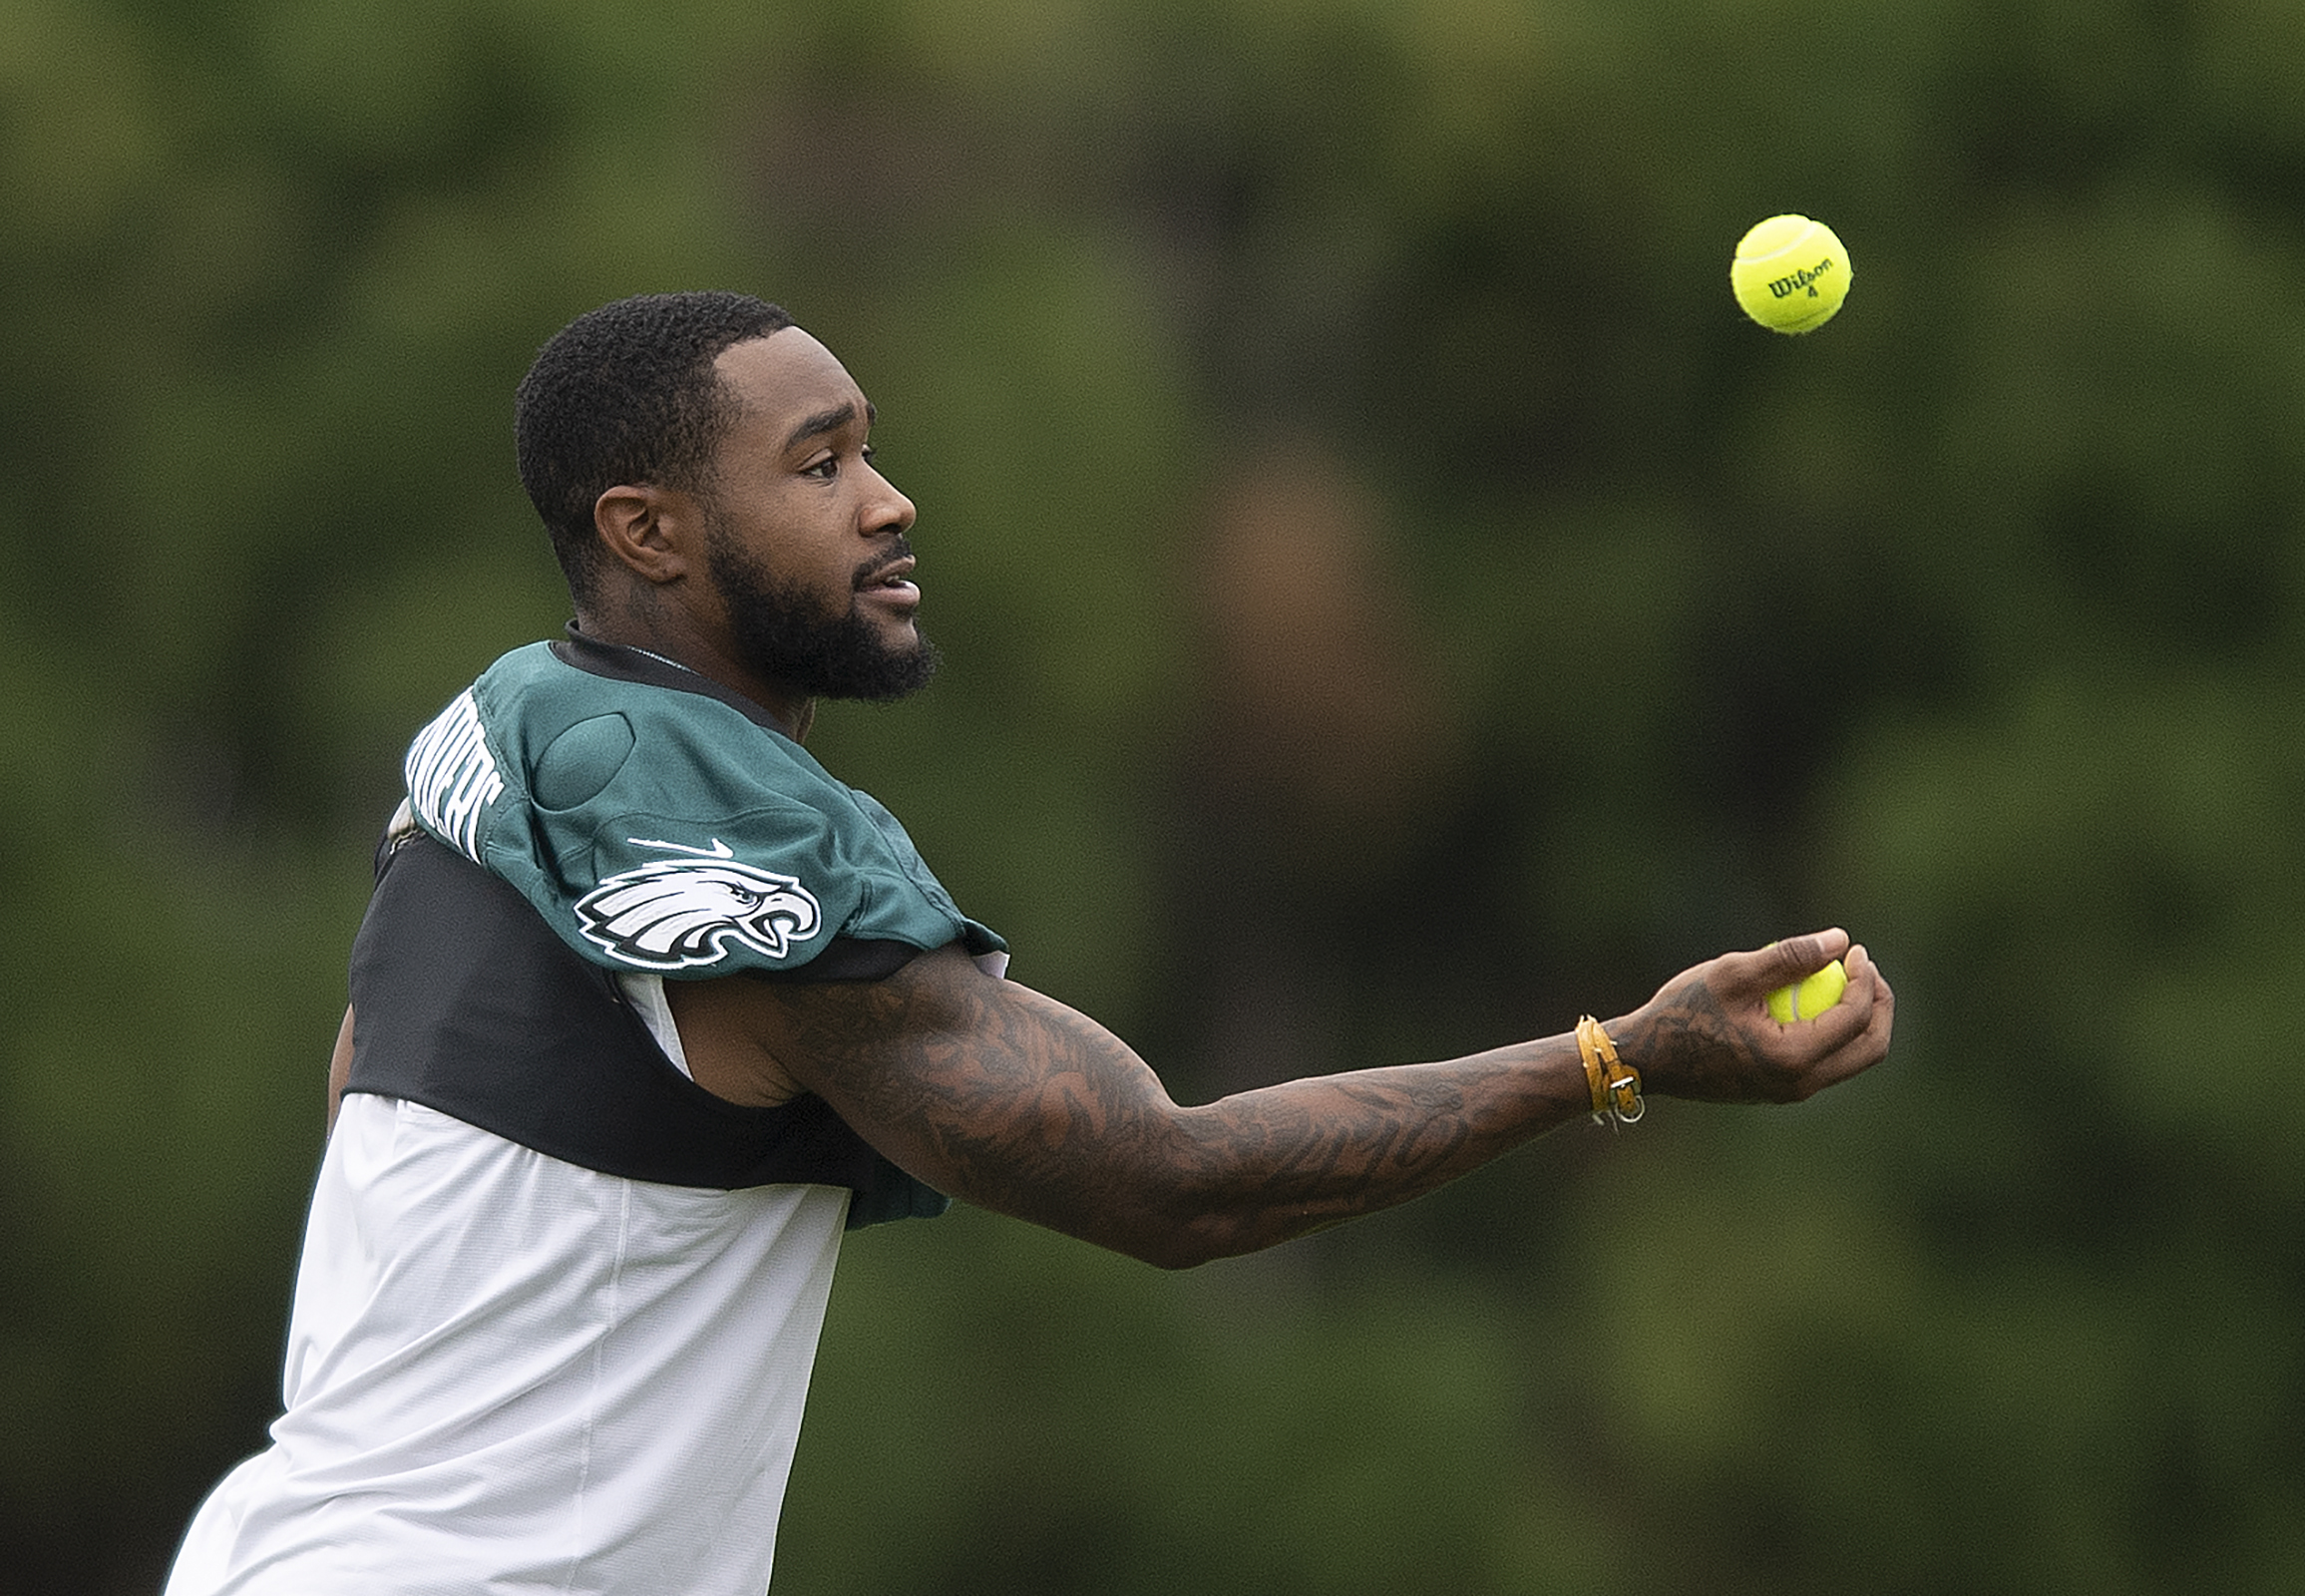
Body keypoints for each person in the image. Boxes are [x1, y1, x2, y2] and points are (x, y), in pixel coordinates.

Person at [163, 291, 1895, 1595]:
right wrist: (1617, 1060)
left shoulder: (502, 736)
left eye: (871, 449)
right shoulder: (743, 839)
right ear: (646, 531)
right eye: (821, 463)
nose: (889, 501)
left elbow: (359, 1084)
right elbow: (1172, 1184)